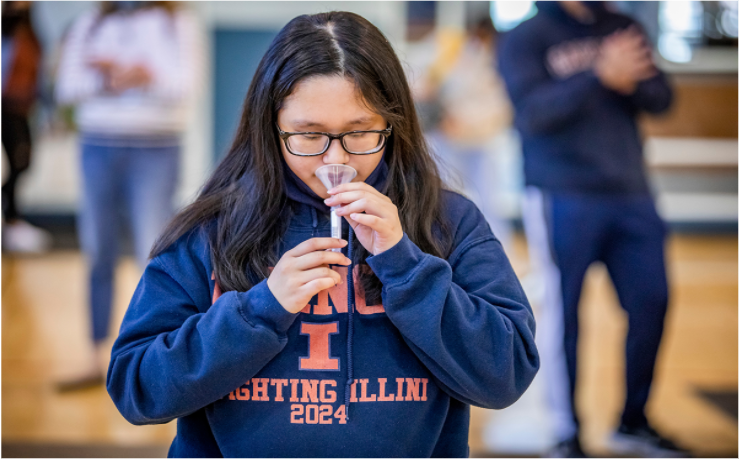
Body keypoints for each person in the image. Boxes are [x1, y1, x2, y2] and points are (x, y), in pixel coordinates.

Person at [107, 11, 539, 457]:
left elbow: (505, 375)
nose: (336, 160)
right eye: (309, 135)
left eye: (359, 132)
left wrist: (405, 266)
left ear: (394, 125)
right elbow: (137, 389)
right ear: (270, 127)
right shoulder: (210, 230)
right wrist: (260, 309)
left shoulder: (448, 221)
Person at [498, 2, 686, 457]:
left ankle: (633, 423)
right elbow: (532, 115)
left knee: (652, 301)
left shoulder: (623, 26)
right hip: (560, 192)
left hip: (631, 191)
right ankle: (566, 433)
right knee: (564, 313)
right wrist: (598, 75)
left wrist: (631, 77)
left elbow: (661, 100)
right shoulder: (527, 36)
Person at [55, 1, 202, 390]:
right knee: (97, 250)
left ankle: (154, 356)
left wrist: (142, 76)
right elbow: (66, 88)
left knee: (153, 255)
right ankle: (95, 357)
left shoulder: (177, 22)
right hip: (97, 145)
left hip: (156, 147)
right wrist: (108, 80)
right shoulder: (90, 22)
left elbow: (185, 86)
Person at [416, 17, 515, 252]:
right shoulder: (446, 49)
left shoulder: (496, 61)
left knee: (490, 203)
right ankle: (441, 249)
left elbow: (502, 109)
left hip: (481, 141)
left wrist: (466, 123)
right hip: (445, 141)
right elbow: (420, 89)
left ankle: (499, 252)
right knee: (442, 199)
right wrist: (442, 118)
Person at [2, 1, 53, 254]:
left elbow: (39, 74)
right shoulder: (9, 29)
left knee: (22, 163)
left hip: (21, 108)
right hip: (6, 107)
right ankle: (9, 220)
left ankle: (11, 219)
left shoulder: (29, 32)